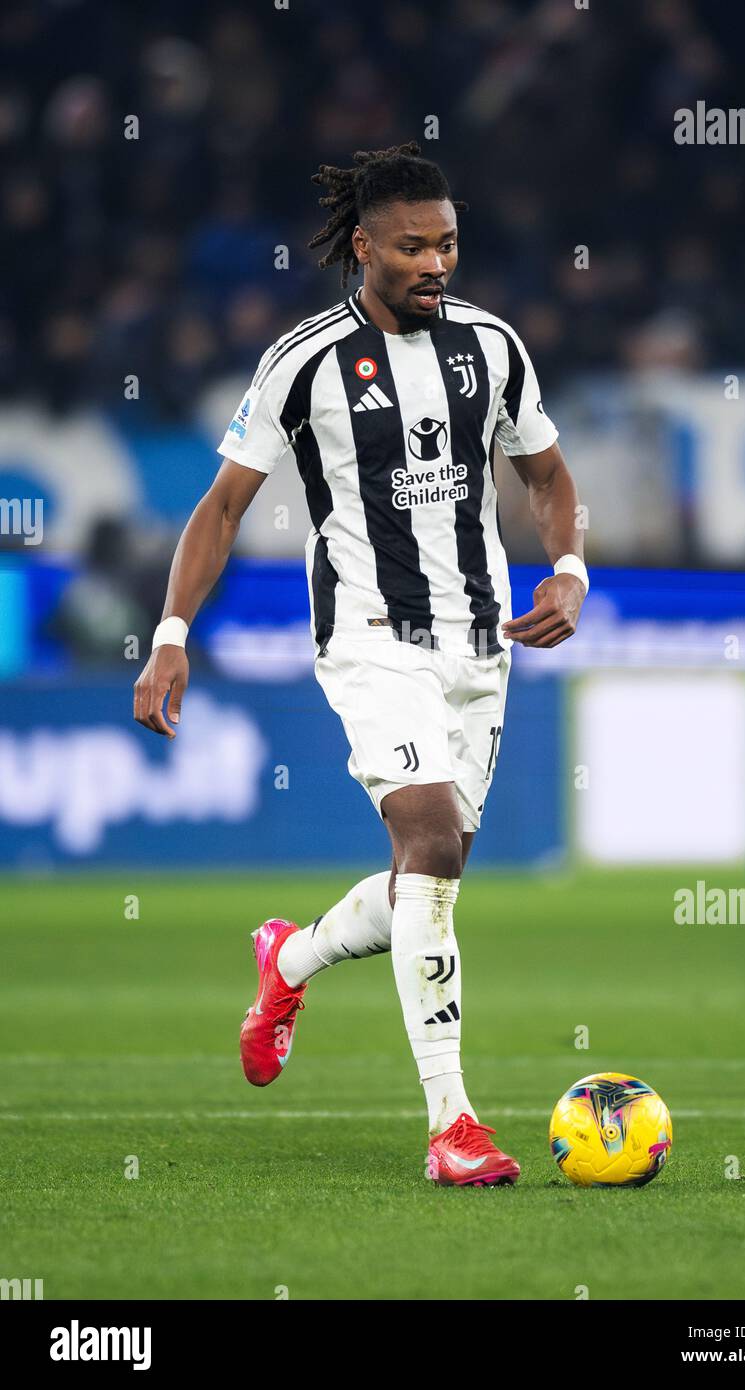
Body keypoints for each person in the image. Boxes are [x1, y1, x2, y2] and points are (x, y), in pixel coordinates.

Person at [133, 141, 588, 1186]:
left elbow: (549, 473)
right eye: (414, 247)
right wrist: (169, 635)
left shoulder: (491, 346)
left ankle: (286, 959)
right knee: (425, 837)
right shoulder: (301, 363)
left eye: (449, 244)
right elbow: (221, 509)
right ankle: (452, 1126)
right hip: (369, 640)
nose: (436, 264)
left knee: (431, 873)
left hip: (482, 645)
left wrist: (566, 569)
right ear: (362, 247)